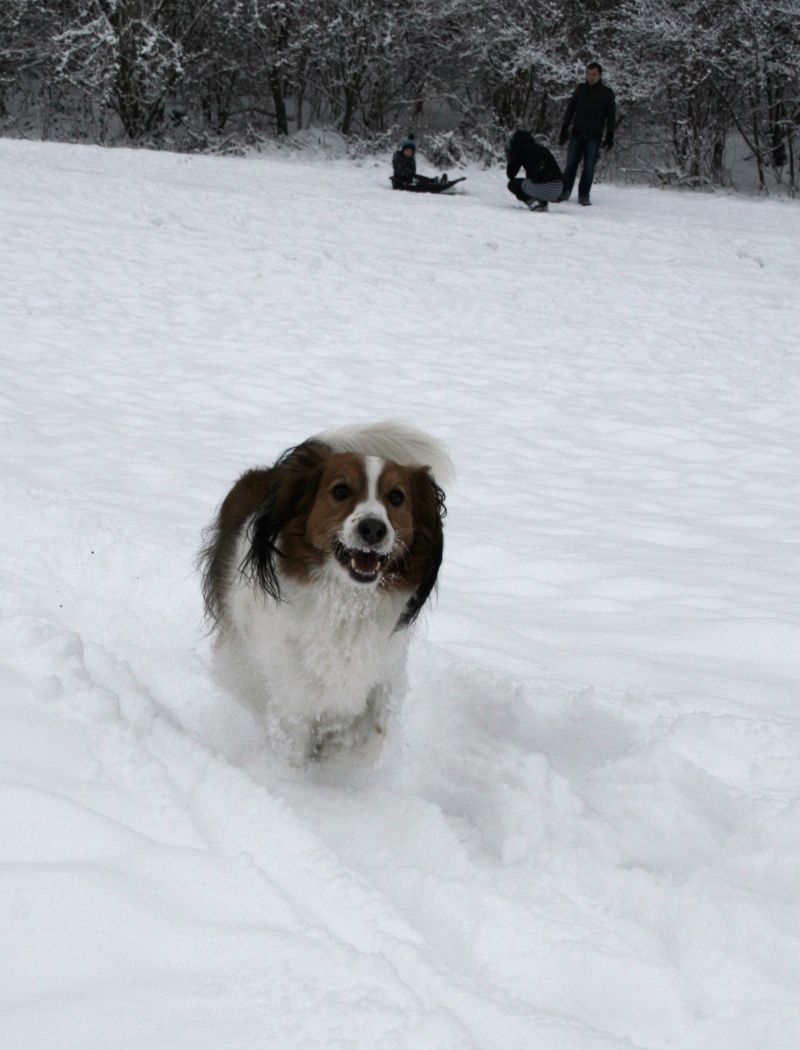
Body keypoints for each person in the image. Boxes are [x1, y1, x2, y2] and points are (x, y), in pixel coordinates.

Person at [558, 62, 616, 206]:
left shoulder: (607, 93)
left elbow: (611, 116)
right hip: (577, 134)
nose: (591, 77)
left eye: (594, 74)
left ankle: (584, 195)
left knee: (589, 168)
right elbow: (570, 110)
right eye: (588, 74)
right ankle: (564, 192)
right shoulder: (580, 89)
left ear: (600, 75)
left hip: (594, 137)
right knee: (570, 165)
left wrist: (609, 136)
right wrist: (564, 129)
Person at [505, 129, 563, 212]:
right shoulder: (542, 149)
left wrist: (511, 158)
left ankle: (535, 204)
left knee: (513, 185)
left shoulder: (521, 151)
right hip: (558, 188)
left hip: (544, 188)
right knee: (533, 181)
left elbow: (511, 175)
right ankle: (542, 203)